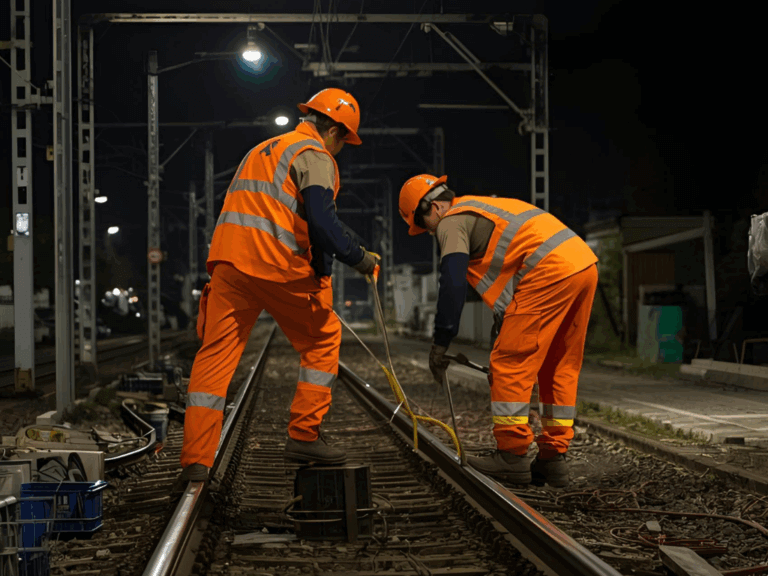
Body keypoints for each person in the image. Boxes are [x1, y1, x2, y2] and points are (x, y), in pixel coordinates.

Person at [178, 88, 380, 483]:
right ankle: (304, 434)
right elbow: (322, 222)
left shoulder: (263, 149)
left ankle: (196, 461)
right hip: (275, 263)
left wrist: (331, 251)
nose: (341, 149)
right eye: (344, 141)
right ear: (335, 130)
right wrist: (359, 258)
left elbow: (295, 214)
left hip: (229, 264)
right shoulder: (315, 155)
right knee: (323, 339)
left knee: (215, 357)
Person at [398, 174, 598, 487]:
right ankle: (553, 458)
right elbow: (510, 293)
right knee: (558, 365)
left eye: (423, 224)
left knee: (509, 362)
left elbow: (451, 284)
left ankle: (512, 455)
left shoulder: (451, 222)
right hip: (582, 264)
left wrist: (440, 341)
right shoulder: (485, 207)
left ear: (434, 206)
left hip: (549, 270)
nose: (428, 232)